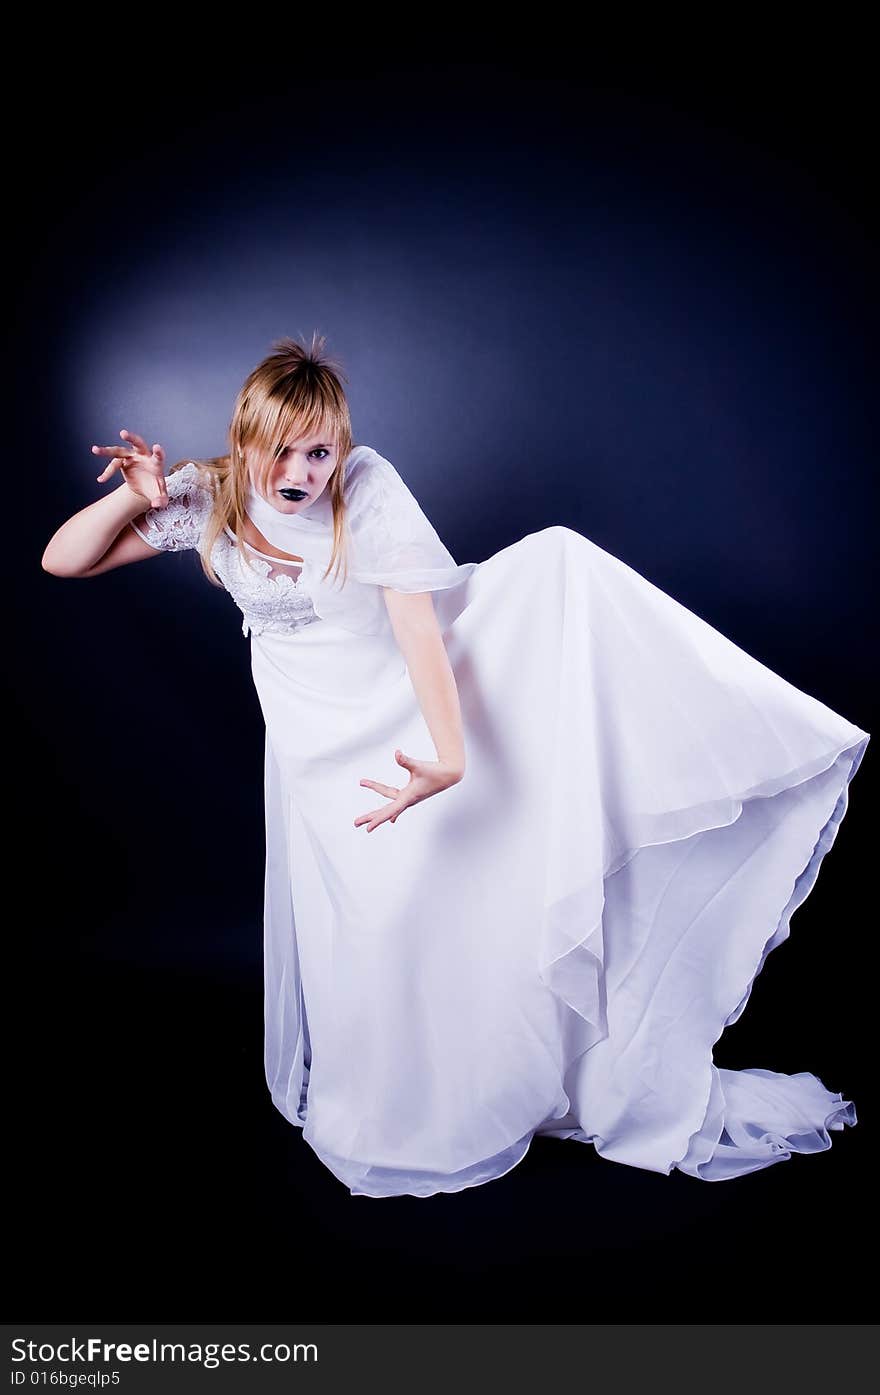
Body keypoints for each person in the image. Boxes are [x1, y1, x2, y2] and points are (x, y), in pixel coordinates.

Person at [42, 333, 871, 1199]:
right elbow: (64, 558)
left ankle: (479, 1091)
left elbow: (416, 625)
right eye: (280, 448)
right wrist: (132, 501)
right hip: (311, 735)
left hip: (399, 704)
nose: (302, 469)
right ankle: (395, 1092)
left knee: (436, 889)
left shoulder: (363, 485)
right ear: (244, 437)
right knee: (361, 916)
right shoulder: (207, 494)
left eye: (319, 449)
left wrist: (449, 753)